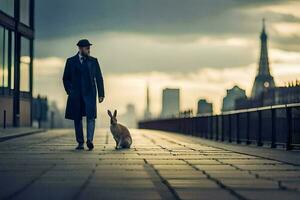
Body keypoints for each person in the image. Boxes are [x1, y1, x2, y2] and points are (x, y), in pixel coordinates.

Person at [63, 39, 105, 150]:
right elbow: (65, 78)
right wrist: (70, 91)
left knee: (91, 117)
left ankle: (90, 140)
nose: (89, 50)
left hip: (90, 94)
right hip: (76, 95)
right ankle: (80, 142)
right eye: (87, 48)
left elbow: (99, 78)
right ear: (80, 48)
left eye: (89, 48)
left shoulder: (93, 61)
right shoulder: (70, 61)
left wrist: (101, 94)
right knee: (77, 118)